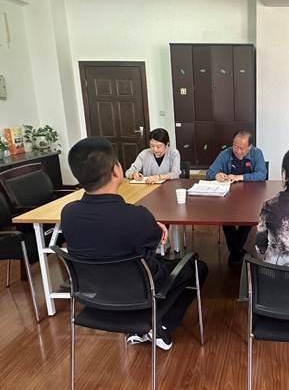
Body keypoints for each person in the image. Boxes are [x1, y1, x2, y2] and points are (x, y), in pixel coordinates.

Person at [61, 137, 208, 350]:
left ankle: (147, 327)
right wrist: (153, 226)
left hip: (96, 292)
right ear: (116, 170)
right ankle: (158, 324)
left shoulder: (68, 213)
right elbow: (156, 241)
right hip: (139, 289)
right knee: (196, 267)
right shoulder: (135, 216)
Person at [207, 130, 267, 264]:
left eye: (242, 148)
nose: (238, 151)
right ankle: (237, 251)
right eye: (235, 147)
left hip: (251, 198)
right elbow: (210, 172)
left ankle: (235, 253)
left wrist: (240, 177)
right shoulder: (225, 153)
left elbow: (262, 174)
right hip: (229, 198)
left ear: (250, 147)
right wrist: (216, 175)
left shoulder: (257, 153)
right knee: (225, 218)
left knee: (250, 217)